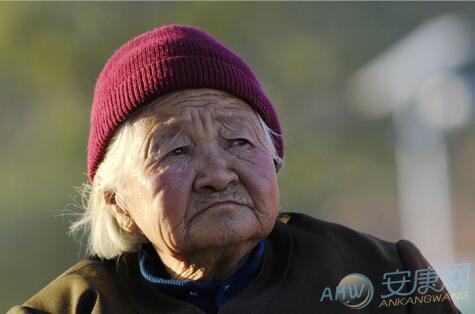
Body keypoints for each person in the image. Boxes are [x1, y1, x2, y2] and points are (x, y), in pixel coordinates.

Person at [8, 24, 460, 314]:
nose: (219, 174)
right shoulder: (67, 310)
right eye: (178, 151)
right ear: (118, 202)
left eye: (239, 141)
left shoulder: (386, 278)